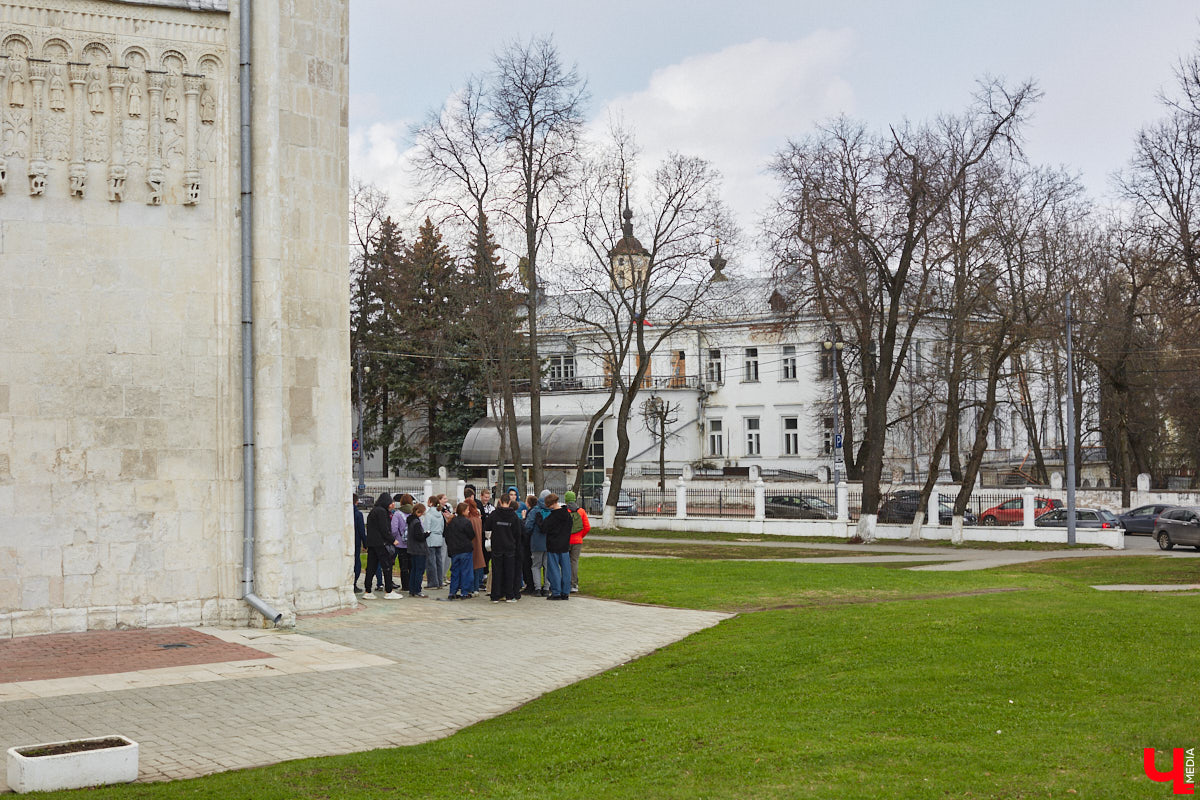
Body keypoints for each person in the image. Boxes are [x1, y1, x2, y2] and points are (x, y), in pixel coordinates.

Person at [363, 493, 403, 599]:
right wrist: (392, 540)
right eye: (391, 503)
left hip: (372, 543)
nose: (393, 505)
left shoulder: (374, 511)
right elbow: (384, 529)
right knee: (387, 567)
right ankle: (389, 590)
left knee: (371, 567)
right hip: (381, 543)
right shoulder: (382, 512)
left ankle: (368, 590)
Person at [486, 493, 522, 602]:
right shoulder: (514, 516)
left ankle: (496, 595)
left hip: (497, 545)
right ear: (510, 502)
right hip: (510, 546)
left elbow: (487, 530)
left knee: (497, 571)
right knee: (509, 571)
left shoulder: (494, 514)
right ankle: (509, 595)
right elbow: (518, 533)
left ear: (500, 502)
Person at [542, 494, 574, 600]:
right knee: (566, 569)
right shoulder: (567, 515)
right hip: (565, 545)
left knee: (554, 569)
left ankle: (556, 592)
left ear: (550, 504)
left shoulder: (552, 517)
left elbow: (543, 528)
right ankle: (565, 592)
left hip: (553, 545)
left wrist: (539, 520)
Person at [444, 502, 476, 600]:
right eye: (467, 510)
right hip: (465, 550)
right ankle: (464, 592)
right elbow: (472, 535)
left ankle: (452, 592)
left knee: (455, 571)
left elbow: (447, 536)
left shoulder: (451, 522)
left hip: (454, 551)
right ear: (463, 511)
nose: (469, 511)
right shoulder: (466, 522)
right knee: (466, 571)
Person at [564, 490, 591, 593]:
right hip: (577, 541)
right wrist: (580, 536)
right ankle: (574, 584)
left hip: (566, 540)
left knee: (565, 562)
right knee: (574, 562)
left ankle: (566, 582)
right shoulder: (581, 511)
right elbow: (587, 527)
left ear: (566, 500)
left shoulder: (565, 511)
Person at [526, 490, 551, 596]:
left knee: (536, 566)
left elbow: (528, 526)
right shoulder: (552, 510)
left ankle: (537, 589)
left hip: (536, 542)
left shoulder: (535, 510)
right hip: (549, 543)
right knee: (547, 566)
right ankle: (546, 588)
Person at [405, 503, 429, 597]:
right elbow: (419, 537)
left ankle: (412, 589)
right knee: (419, 570)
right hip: (419, 549)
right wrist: (426, 534)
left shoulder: (410, 520)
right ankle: (417, 590)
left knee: (413, 570)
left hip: (412, 548)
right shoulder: (417, 522)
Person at [423, 495, 447, 589]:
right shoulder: (440, 514)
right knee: (439, 561)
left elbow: (427, 528)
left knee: (431, 561)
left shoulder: (429, 514)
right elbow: (442, 526)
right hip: (439, 537)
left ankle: (432, 582)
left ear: (431, 503)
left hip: (430, 538)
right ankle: (439, 581)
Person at [391, 493, 413, 593]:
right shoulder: (413, 512)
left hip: (400, 543)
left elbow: (394, 529)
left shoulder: (397, 514)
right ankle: (413, 583)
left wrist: (395, 538)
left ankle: (405, 586)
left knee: (403, 565)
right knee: (412, 565)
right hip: (412, 543)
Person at [466, 497, 486, 595]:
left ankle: (471, 588)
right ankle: (476, 587)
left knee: (470, 567)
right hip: (478, 543)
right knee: (477, 567)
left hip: (470, 544)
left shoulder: (469, 520)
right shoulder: (478, 519)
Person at [520, 493, 538, 596]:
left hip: (527, 543)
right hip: (531, 542)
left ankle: (530, 585)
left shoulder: (530, 513)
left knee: (527, 564)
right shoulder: (534, 511)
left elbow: (526, 527)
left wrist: (523, 518)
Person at [352, 494, 366, 593]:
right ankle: (354, 583)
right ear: (356, 502)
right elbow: (362, 531)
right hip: (355, 541)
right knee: (356, 562)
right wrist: (365, 543)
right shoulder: (358, 514)